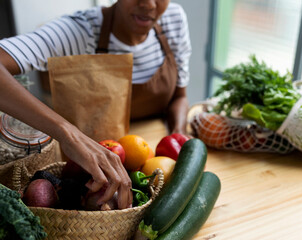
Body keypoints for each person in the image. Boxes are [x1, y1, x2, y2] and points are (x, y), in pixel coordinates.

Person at [0, 0, 191, 209]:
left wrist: (179, 138)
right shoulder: (80, 31)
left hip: (152, 164)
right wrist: (68, 133)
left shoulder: (173, 19)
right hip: (87, 173)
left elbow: (179, 96)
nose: (149, 4)